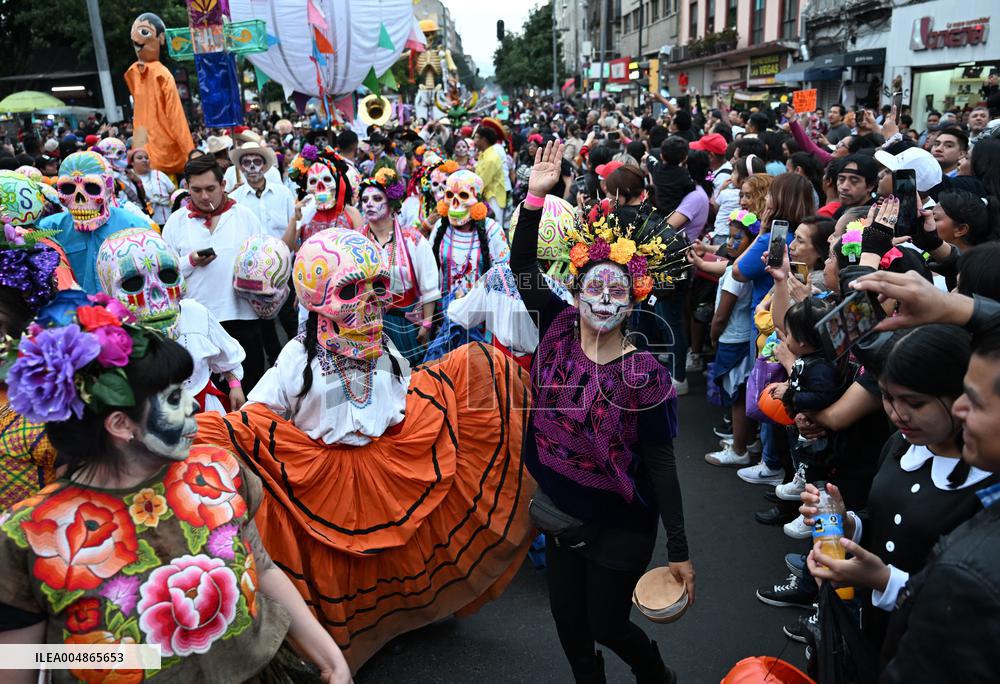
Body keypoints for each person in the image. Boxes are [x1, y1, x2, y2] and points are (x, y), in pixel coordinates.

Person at [195, 227, 533, 670]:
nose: (370, 303)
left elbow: (401, 398)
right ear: (317, 299)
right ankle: (340, 644)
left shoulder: (386, 350)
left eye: (378, 288)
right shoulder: (299, 359)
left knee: (392, 552)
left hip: (386, 462)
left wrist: (427, 420)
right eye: (352, 291)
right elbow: (261, 411)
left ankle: (397, 619)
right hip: (321, 479)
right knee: (339, 563)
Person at [0, 295, 352, 683]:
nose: (192, 405)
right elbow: (23, 658)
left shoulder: (218, 470)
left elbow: (264, 569)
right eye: (172, 397)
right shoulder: (29, 535)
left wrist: (331, 660)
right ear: (120, 424)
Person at [512, 140, 694, 683]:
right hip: (563, 514)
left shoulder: (645, 374)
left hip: (621, 526)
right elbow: (523, 267)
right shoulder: (558, 324)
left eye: (618, 289)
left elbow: (661, 465)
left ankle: (655, 674)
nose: (605, 300)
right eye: (595, 286)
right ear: (577, 289)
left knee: (608, 623)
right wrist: (534, 200)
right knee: (568, 619)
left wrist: (680, 550)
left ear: (634, 296)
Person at [799, 324, 999, 668]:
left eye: (915, 403)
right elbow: (881, 519)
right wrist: (847, 524)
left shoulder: (988, 484)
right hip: (869, 631)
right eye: (887, 398)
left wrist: (884, 581)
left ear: (962, 395)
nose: (898, 414)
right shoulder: (900, 446)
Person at [162, 155, 295, 391]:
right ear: (187, 188)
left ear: (223, 185)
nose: (204, 196)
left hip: (243, 318)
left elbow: (265, 259)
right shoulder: (176, 222)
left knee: (250, 389)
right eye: (197, 190)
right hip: (197, 324)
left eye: (211, 188)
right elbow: (165, 273)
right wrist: (190, 261)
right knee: (207, 396)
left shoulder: (244, 216)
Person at [97, 228, 247, 415]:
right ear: (111, 291)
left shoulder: (196, 314)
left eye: (167, 276)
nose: (158, 296)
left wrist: (234, 385)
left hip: (207, 415)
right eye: (133, 283)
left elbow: (228, 357)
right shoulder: (114, 337)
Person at [36, 151, 155, 294]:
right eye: (68, 189)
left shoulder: (134, 226)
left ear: (108, 187)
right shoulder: (49, 229)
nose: (80, 200)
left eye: (92, 188)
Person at [356, 168, 440, 364]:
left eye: (377, 198)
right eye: (365, 200)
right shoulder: (355, 241)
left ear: (392, 204)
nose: (369, 203)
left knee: (408, 380)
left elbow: (430, 287)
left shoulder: (414, 239)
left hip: (405, 325)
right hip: (367, 324)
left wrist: (427, 324)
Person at [425, 169, 509, 361]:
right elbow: (431, 274)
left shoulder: (492, 230)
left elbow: (504, 277)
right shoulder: (440, 228)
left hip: (480, 324)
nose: (455, 203)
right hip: (445, 320)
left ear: (477, 200)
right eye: (450, 196)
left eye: (463, 196)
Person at [697, 210, 758, 467]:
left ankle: (739, 448)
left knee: (737, 395)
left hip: (732, 338)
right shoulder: (743, 268)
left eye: (738, 239)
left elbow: (721, 316)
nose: (731, 244)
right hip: (744, 336)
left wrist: (713, 336)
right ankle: (746, 438)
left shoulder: (736, 274)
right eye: (730, 238)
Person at [130, 146, 174, 227]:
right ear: (132, 162)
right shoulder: (128, 178)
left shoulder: (158, 174)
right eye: (140, 158)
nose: (144, 160)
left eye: (146, 158)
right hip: (143, 223)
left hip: (166, 219)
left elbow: (172, 192)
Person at [474, 123, 508, 224]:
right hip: (487, 196)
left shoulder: (491, 158)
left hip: (493, 198)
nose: (474, 141)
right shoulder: (483, 154)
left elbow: (481, 182)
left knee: (494, 228)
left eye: (476, 138)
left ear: (484, 140)